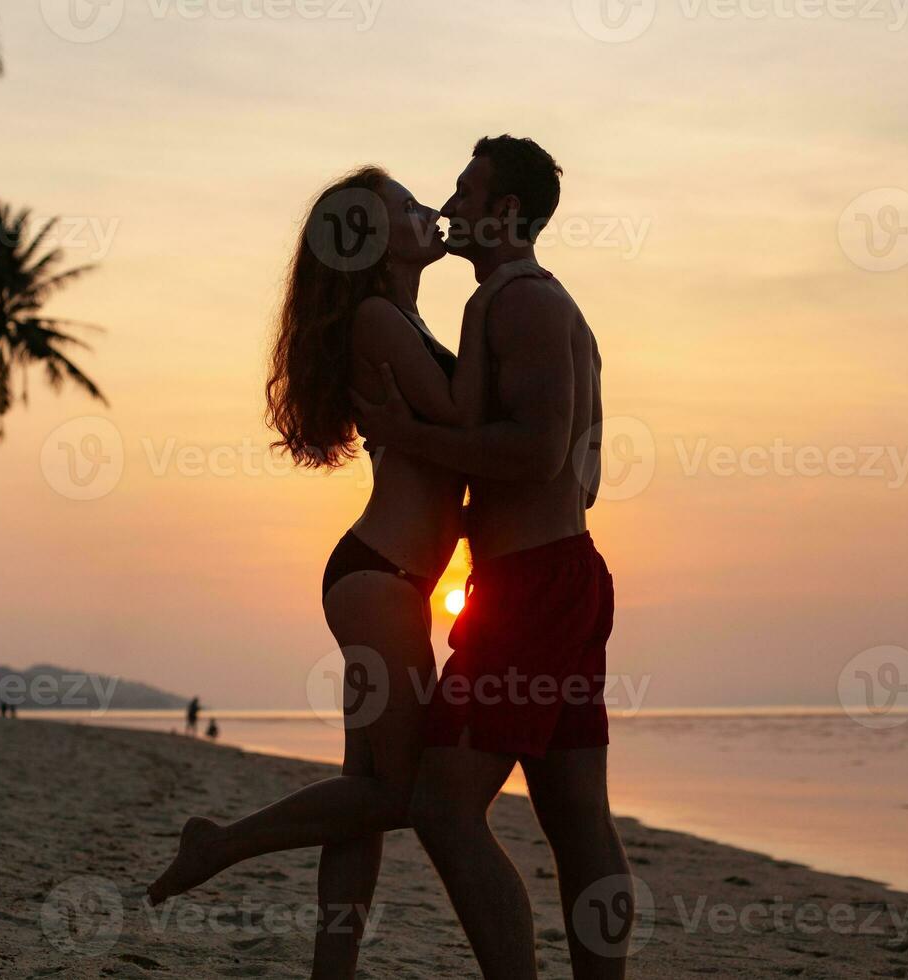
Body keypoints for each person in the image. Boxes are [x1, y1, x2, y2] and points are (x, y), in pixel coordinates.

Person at [145, 164, 545, 979]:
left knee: (364, 795)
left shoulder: (396, 314)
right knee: (400, 795)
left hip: (383, 579)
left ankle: (332, 969)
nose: (426, 208)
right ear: (372, 238)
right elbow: (467, 418)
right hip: (381, 584)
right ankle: (221, 843)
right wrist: (504, 317)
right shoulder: (376, 316)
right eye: (404, 205)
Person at [351, 135, 633, 979]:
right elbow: (574, 476)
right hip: (556, 575)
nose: (450, 205)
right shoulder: (531, 307)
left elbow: (541, 455)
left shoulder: (519, 304)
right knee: (576, 814)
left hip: (534, 592)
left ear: (507, 213)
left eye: (467, 192)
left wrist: (404, 433)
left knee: (442, 806)